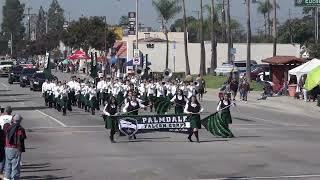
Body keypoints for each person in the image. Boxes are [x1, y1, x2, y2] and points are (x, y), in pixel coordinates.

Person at [3, 114, 26, 180]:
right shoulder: (19, 129)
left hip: (7, 148)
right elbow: (20, 139)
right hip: (15, 148)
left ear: (13, 120)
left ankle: (7, 177)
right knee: (15, 166)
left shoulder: (8, 127)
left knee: (8, 164)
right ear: (20, 120)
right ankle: (15, 178)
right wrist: (19, 150)